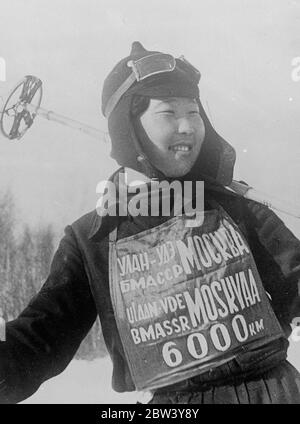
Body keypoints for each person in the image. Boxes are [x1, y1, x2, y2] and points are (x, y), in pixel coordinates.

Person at [0, 41, 300, 404]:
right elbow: (41, 340)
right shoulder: (93, 239)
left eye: (194, 111)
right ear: (128, 128)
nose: (188, 126)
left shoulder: (235, 209)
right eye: (168, 113)